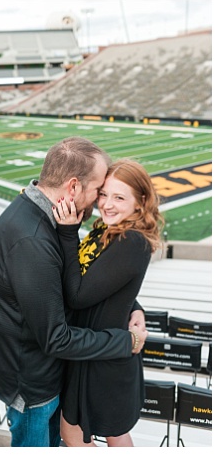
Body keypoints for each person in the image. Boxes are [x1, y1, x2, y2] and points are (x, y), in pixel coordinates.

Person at [0, 137, 148, 447]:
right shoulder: (33, 240)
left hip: (43, 368)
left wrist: (133, 305)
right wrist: (127, 341)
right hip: (33, 383)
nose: (101, 202)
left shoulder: (43, 216)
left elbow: (97, 276)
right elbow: (56, 336)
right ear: (73, 187)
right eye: (99, 191)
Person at [54, 159, 163, 446]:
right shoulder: (107, 228)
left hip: (104, 355)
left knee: (74, 432)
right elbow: (110, 282)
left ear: (140, 202)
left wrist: (67, 234)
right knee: (114, 433)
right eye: (104, 194)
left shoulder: (131, 241)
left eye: (119, 197)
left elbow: (79, 295)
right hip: (97, 346)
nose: (107, 204)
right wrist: (136, 306)